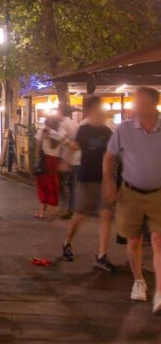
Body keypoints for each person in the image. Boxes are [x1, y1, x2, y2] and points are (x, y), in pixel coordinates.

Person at [103, 87, 161, 312]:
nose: (134, 106)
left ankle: (159, 292)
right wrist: (109, 183)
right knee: (133, 240)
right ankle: (139, 281)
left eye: (138, 102)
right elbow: (109, 156)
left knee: (158, 240)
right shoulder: (124, 129)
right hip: (130, 192)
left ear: (152, 105)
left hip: (158, 192)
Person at [61, 95, 115, 271]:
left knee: (106, 216)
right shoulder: (84, 130)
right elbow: (75, 146)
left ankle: (102, 256)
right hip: (87, 178)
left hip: (104, 179)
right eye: (99, 107)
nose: (101, 110)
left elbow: (112, 155)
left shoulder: (107, 132)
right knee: (80, 216)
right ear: (92, 109)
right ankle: (67, 242)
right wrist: (67, 152)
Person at [35, 114, 64, 218]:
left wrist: (36, 160)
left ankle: (45, 211)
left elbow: (37, 148)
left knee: (43, 185)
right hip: (55, 161)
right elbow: (62, 141)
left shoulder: (42, 132)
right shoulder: (59, 133)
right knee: (53, 183)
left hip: (45, 161)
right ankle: (51, 209)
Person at [58, 103, 81, 218]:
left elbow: (61, 137)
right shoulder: (75, 123)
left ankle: (66, 209)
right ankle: (72, 208)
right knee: (73, 185)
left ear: (61, 112)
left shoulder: (62, 124)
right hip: (77, 158)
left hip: (67, 159)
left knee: (63, 185)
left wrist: (68, 143)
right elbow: (80, 139)